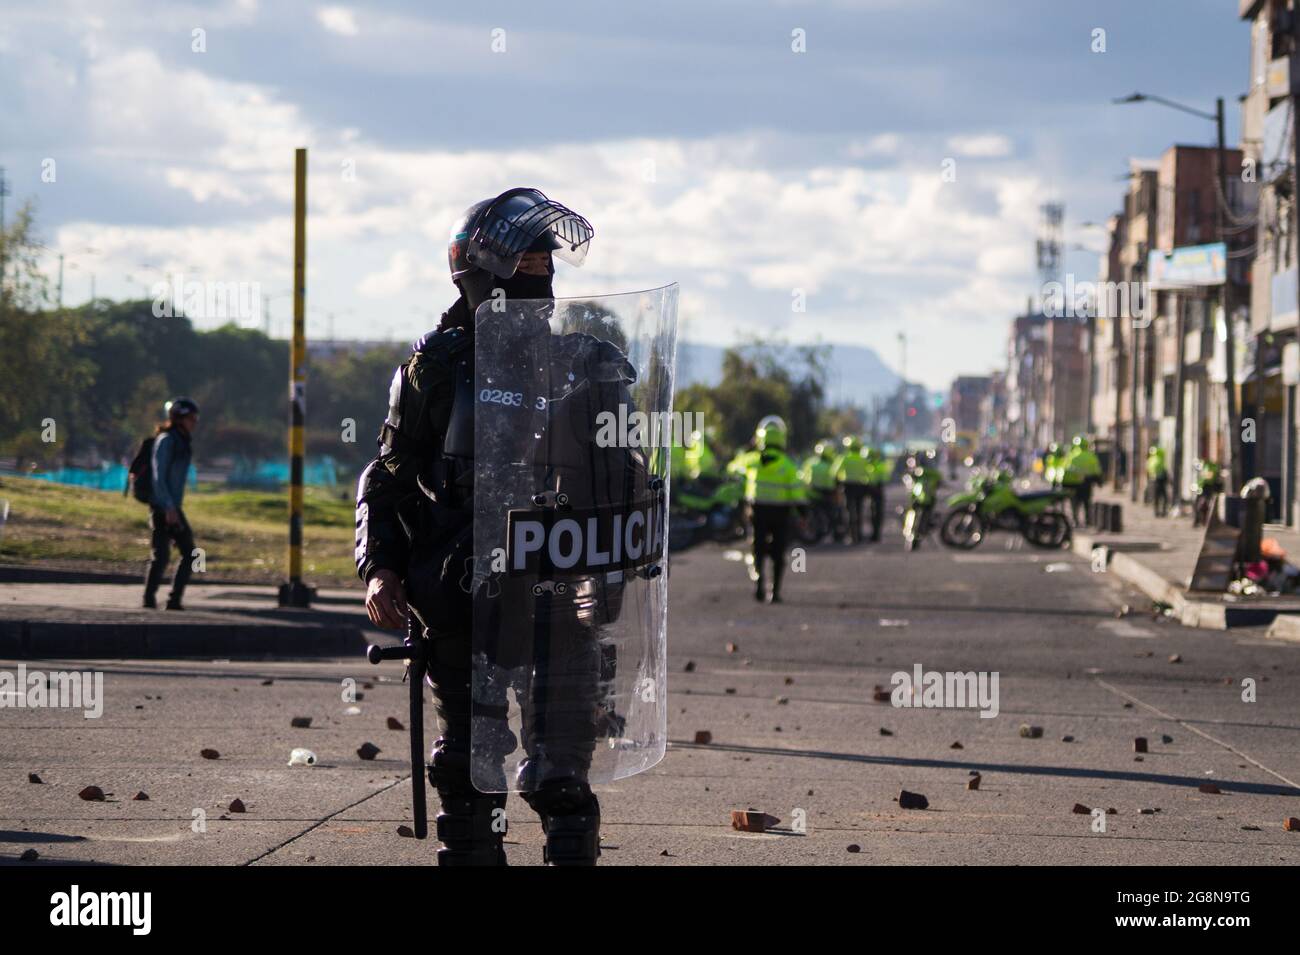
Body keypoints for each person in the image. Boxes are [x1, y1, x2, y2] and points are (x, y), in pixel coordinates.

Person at [356, 187, 646, 866]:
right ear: (482, 270)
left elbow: (626, 479)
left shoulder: (583, 362)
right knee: (468, 770)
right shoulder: (435, 369)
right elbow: (387, 477)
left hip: (560, 584)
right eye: (528, 264)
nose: (543, 276)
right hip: (464, 588)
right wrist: (380, 565)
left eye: (548, 263)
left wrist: (625, 490)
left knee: (562, 775)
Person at [144, 397, 199, 610]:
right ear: (178, 418)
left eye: (195, 418)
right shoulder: (166, 441)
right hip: (162, 507)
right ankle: (149, 600)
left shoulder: (183, 442)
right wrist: (168, 507)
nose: (194, 422)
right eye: (191, 418)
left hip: (173, 507)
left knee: (189, 553)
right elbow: (159, 477)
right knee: (162, 556)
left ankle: (173, 600)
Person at [743, 420, 805, 602]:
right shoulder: (788, 465)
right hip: (780, 513)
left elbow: (734, 468)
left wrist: (749, 447)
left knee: (758, 549)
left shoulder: (753, 461)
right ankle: (775, 592)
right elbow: (797, 492)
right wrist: (803, 513)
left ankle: (759, 585)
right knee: (779, 553)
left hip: (758, 510)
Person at [799, 437, 841, 542]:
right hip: (826, 495)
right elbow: (837, 479)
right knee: (835, 513)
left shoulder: (810, 462)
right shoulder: (833, 464)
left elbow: (802, 476)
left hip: (810, 493)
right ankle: (837, 533)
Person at [833, 436, 872, 543]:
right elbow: (869, 473)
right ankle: (858, 534)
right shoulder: (863, 459)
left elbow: (835, 472)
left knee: (849, 511)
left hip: (848, 487)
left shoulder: (844, 458)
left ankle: (851, 534)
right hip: (860, 486)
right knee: (859, 510)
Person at [1061, 435, 1101, 526]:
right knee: (1086, 502)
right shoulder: (1091, 456)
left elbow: (1064, 470)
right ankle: (1088, 521)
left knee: (1074, 503)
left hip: (1073, 484)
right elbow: (1097, 470)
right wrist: (1098, 481)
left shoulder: (1070, 456)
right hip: (1086, 483)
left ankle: (1075, 520)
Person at [1193, 458, 1223, 528]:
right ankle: (1198, 521)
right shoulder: (1204, 465)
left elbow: (1210, 477)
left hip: (1208, 487)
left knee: (1204, 505)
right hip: (1202, 487)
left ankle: (1203, 521)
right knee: (1198, 504)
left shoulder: (1212, 466)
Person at [1146, 445, 1169, 517]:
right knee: (1163, 497)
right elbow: (1164, 470)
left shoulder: (1151, 460)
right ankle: (1162, 511)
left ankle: (1158, 512)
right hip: (1159, 480)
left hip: (1155, 480)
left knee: (1157, 497)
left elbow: (1148, 471)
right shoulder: (1158, 459)